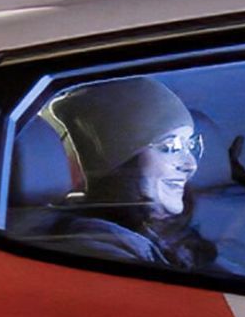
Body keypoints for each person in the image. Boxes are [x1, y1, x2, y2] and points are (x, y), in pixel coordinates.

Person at [45, 77, 218, 270]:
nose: (191, 165)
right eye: (170, 147)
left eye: (190, 146)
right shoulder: (98, 249)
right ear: (122, 164)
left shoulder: (173, 237)